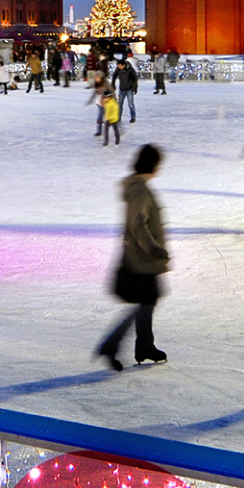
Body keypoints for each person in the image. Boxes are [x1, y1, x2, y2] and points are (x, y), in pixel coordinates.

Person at [96, 144, 169, 370]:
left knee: (146, 303)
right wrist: (154, 248)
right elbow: (138, 226)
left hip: (139, 258)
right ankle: (112, 345)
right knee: (144, 303)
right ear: (154, 165)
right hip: (141, 260)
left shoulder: (139, 187)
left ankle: (144, 346)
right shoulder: (139, 190)